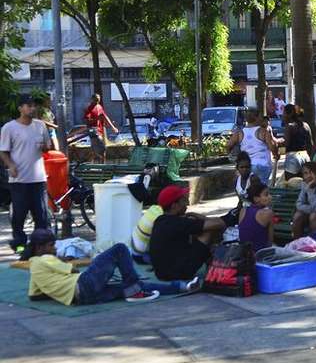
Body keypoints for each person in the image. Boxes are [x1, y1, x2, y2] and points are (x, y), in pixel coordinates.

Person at [23, 229, 199, 306]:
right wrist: (61, 262)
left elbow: (34, 296)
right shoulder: (44, 258)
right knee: (120, 249)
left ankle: (183, 286)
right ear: (39, 248)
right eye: (51, 245)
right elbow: (73, 270)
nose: (54, 249)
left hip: (83, 298)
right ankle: (135, 290)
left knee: (134, 287)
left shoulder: (34, 267)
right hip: (83, 285)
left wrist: (57, 289)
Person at [0, 94, 51, 254]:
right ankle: (20, 245)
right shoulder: (9, 128)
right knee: (19, 215)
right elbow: (3, 151)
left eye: (33, 106)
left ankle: (40, 247)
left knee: (42, 215)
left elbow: (48, 147)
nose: (32, 108)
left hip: (38, 178)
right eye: (28, 106)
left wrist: (45, 147)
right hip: (19, 180)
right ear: (20, 108)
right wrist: (11, 165)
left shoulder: (40, 125)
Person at [149, 185, 226, 281]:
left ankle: (211, 261)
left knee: (197, 229)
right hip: (178, 274)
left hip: (161, 273)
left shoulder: (159, 220)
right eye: (183, 201)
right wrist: (198, 216)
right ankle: (216, 263)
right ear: (174, 205)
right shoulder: (178, 223)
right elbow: (219, 223)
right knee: (209, 230)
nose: (187, 204)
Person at [227, 109, 276, 184]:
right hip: (264, 165)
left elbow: (229, 145)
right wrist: (276, 154)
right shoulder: (263, 132)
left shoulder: (239, 133)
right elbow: (272, 146)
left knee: (249, 189)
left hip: (248, 166)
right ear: (257, 118)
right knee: (261, 189)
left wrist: (230, 155)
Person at [238, 180, 274, 251]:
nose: (270, 197)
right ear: (256, 199)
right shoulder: (269, 213)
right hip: (260, 253)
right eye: (266, 195)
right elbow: (270, 240)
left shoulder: (243, 210)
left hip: (244, 253)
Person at [282, 104, 314, 181]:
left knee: (291, 185)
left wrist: (278, 146)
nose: (283, 115)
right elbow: (311, 144)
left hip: (293, 158)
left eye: (284, 113)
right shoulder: (306, 125)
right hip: (305, 156)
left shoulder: (289, 126)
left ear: (289, 114)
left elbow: (286, 144)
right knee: (305, 185)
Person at [83, 93, 118, 163]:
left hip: (99, 130)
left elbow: (105, 116)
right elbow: (87, 122)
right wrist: (97, 118)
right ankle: (102, 167)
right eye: (95, 100)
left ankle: (88, 165)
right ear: (92, 100)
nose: (97, 102)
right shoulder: (89, 108)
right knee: (103, 150)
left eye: (98, 100)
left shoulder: (99, 107)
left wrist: (113, 127)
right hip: (93, 131)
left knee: (94, 151)